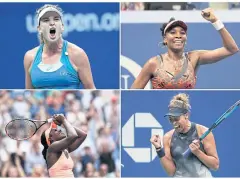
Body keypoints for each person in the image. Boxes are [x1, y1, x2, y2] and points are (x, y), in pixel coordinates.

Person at [131, 8, 239, 89]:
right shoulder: (153, 64)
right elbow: (132, 96)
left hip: (186, 112)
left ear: (185, 38)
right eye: (173, 32)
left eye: (182, 33)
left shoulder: (195, 57)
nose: (178, 35)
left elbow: (231, 49)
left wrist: (215, 21)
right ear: (165, 39)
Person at [24, 4, 95, 89]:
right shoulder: (30, 57)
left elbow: (91, 89)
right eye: (46, 20)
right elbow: (29, 91)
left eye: (56, 19)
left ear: (62, 27)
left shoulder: (77, 54)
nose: (52, 23)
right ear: (39, 29)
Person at [150, 93, 219, 177]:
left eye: (176, 119)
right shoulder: (168, 137)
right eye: (171, 119)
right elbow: (171, 172)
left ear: (186, 115)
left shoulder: (203, 131)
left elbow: (215, 165)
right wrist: (159, 149)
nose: (174, 123)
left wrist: (197, 152)